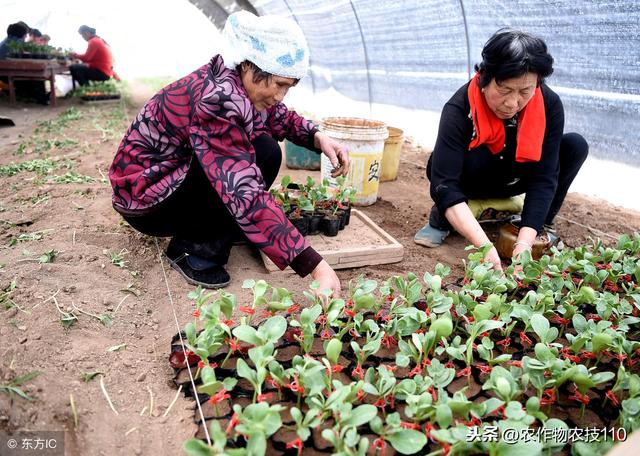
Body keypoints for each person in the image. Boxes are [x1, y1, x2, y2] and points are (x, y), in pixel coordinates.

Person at [109, 11, 350, 295]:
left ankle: (218, 227)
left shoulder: (235, 78)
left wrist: (317, 137)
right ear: (249, 65)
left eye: (290, 87)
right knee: (239, 169)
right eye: (280, 84)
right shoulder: (219, 99)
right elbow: (243, 190)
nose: (281, 96)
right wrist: (315, 266)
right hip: (147, 199)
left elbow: (276, 116)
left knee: (266, 150)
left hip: (167, 179)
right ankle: (192, 249)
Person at [414, 28, 588, 271]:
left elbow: (544, 177)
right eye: (505, 90)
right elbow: (445, 182)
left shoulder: (549, 104)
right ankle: (442, 218)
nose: (512, 103)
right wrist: (485, 248)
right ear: (485, 76)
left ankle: (539, 223)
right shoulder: (459, 107)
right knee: (444, 169)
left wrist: (524, 247)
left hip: (515, 177)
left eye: (525, 91)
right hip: (473, 179)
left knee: (574, 146)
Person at [0, 22, 48, 104]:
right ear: (21, 35)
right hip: (9, 75)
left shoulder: (4, 42)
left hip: (3, 74)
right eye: (25, 35)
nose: (26, 36)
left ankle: (39, 97)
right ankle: (41, 98)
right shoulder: (17, 43)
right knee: (36, 76)